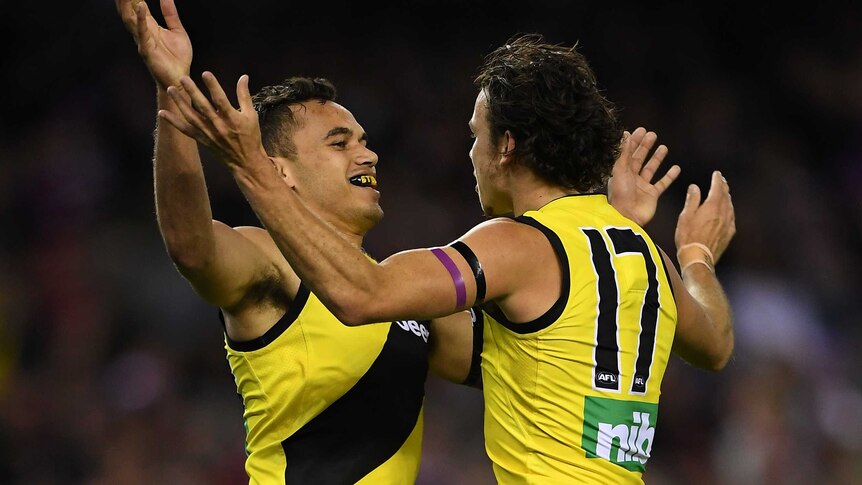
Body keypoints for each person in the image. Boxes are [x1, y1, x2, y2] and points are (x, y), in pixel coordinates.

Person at [117, 2, 681, 483]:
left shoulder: (404, 301)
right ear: (278, 169)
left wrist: (610, 229)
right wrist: (171, 92)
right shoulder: (268, 262)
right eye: (339, 143)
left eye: (364, 140)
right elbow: (191, 246)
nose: (367, 154)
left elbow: (551, 353)